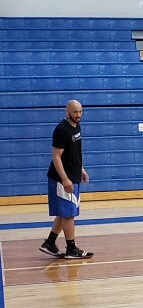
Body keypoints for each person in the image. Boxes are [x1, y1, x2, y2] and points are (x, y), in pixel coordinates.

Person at [39, 99, 93, 260]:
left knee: (65, 213)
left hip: (73, 175)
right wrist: (65, 179)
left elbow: (74, 153)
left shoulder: (77, 126)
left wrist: (81, 169)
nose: (78, 115)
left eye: (80, 111)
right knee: (68, 214)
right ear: (67, 111)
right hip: (62, 179)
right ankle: (71, 249)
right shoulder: (62, 130)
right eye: (75, 112)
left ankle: (50, 242)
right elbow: (56, 156)